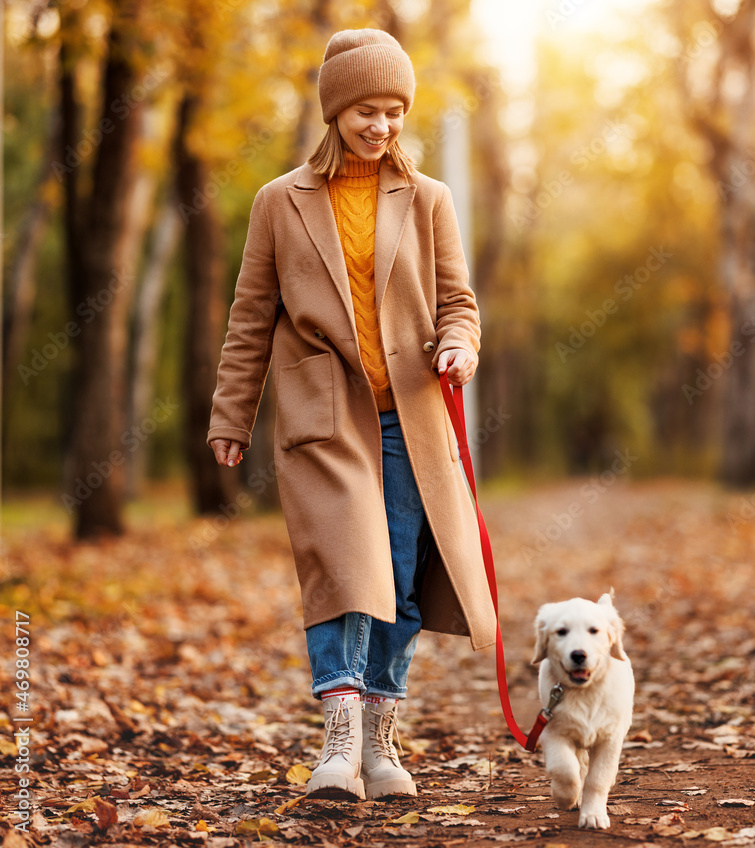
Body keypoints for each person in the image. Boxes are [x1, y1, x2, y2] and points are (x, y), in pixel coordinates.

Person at [207, 29, 496, 802]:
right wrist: (230, 417)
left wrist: (460, 347)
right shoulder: (281, 201)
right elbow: (249, 317)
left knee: (398, 575)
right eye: (367, 110)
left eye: (395, 111)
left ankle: (379, 738)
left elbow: (458, 304)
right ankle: (336, 743)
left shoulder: (428, 199)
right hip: (324, 417)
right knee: (345, 568)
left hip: (410, 417)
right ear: (335, 113)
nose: (382, 126)